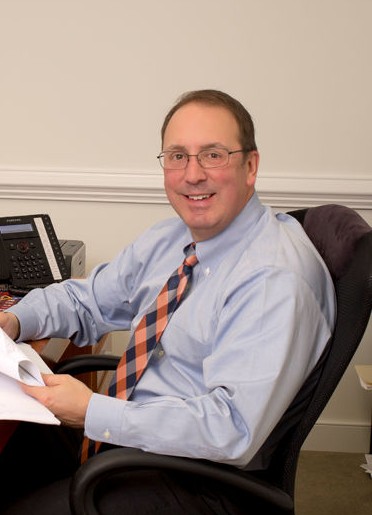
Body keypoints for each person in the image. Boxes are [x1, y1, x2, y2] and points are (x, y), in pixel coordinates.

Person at [0, 89, 336, 514]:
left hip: (198, 478)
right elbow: (90, 301)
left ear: (250, 166)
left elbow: (229, 427)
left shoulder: (272, 279)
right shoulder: (172, 238)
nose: (192, 174)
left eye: (213, 155)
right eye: (177, 156)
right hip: (136, 441)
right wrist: (14, 321)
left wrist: (92, 411)